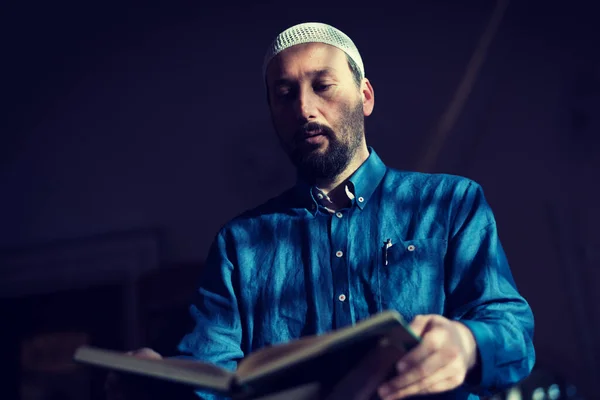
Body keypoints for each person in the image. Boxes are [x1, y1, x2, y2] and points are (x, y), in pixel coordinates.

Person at [107, 22, 535, 400]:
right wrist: (163, 380)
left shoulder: (450, 203)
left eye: (322, 86)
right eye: (284, 94)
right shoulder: (239, 244)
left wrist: (467, 344)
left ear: (364, 96)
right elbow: (211, 378)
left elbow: (511, 329)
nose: (304, 110)